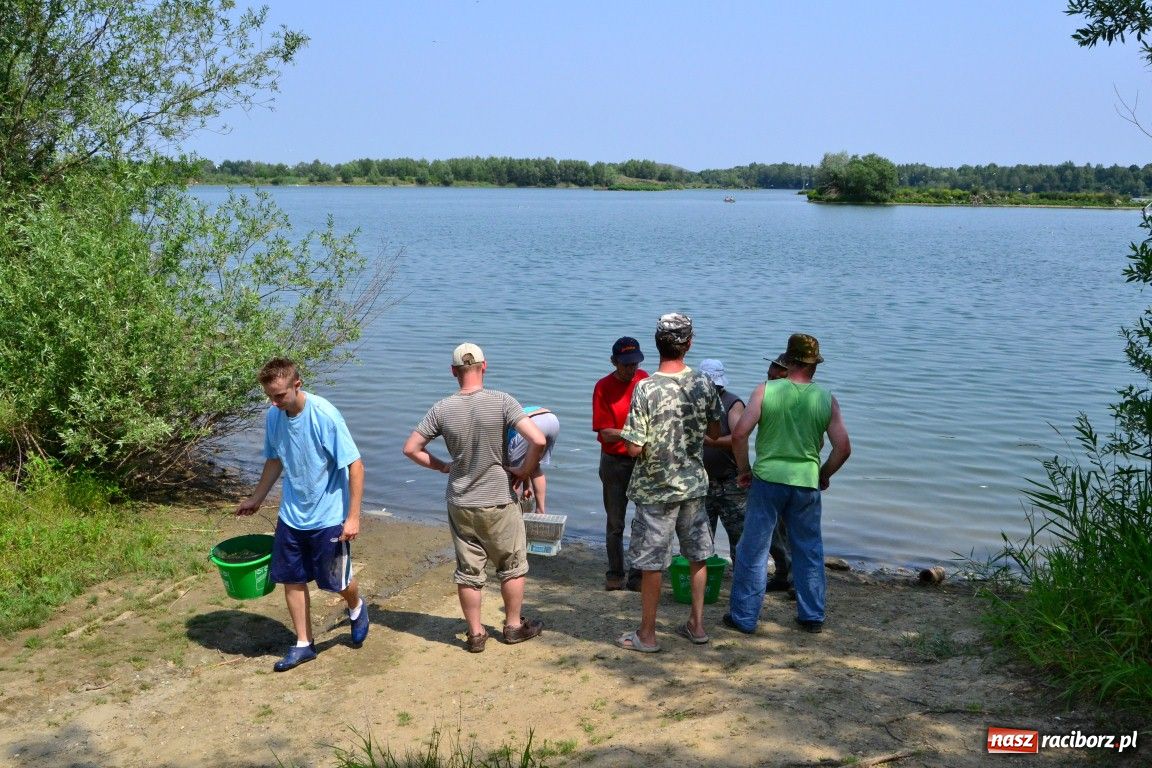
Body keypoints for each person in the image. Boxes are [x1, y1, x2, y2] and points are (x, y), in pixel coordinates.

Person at [403, 342, 548, 653]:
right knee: (511, 564)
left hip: (460, 500)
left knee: (469, 570)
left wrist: (443, 466)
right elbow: (538, 438)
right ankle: (512, 626)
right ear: (484, 366)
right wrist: (524, 470)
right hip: (497, 498)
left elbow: (411, 448)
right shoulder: (502, 402)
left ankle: (475, 634)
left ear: (454, 371)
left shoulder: (442, 409)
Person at [236, 358, 369, 672]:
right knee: (292, 579)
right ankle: (304, 644)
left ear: (297, 384)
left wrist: (353, 517)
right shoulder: (274, 416)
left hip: (328, 517)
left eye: (280, 395)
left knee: (335, 580)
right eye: (270, 395)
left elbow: (356, 465)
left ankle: (356, 605)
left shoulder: (324, 415)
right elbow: (274, 460)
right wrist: (257, 498)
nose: (274, 401)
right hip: (292, 515)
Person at [725, 334, 851, 635]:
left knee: (753, 549)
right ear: (813, 366)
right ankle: (811, 616)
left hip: (768, 480)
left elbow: (740, 434)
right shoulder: (826, 399)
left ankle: (744, 618)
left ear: (789, 361)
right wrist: (823, 474)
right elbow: (843, 448)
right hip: (805, 482)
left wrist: (743, 470)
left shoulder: (765, 390)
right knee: (808, 549)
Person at [615, 313, 722, 652]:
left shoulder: (645, 388)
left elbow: (633, 447)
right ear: (689, 344)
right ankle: (697, 624)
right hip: (692, 485)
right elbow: (715, 431)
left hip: (655, 488)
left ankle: (647, 635)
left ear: (656, 342)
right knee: (698, 556)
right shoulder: (704, 383)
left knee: (651, 563)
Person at [592, 336, 649, 591]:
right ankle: (615, 572)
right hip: (614, 462)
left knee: (645, 518)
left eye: (635, 363)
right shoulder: (603, 387)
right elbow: (604, 432)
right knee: (615, 522)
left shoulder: (644, 379)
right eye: (626, 364)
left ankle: (638, 574)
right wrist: (635, 434)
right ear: (614, 362)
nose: (631, 369)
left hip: (641, 460)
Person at [699, 359, 747, 567]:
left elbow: (738, 437)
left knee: (740, 538)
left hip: (730, 483)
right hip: (702, 482)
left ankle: (743, 578)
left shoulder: (732, 403)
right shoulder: (694, 403)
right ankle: (702, 578)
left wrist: (712, 441)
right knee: (701, 538)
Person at [764, 353, 793, 594]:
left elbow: (742, 433)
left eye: (776, 370)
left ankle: (792, 577)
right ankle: (785, 574)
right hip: (782, 474)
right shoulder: (769, 394)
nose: (771, 373)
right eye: (770, 369)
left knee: (789, 529)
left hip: (782, 475)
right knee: (779, 529)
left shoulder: (767, 395)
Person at [507, 406, 560, 514]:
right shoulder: (511, 409)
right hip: (551, 419)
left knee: (512, 473)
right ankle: (540, 510)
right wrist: (527, 485)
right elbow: (527, 462)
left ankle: (514, 514)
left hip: (532, 423)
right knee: (535, 466)